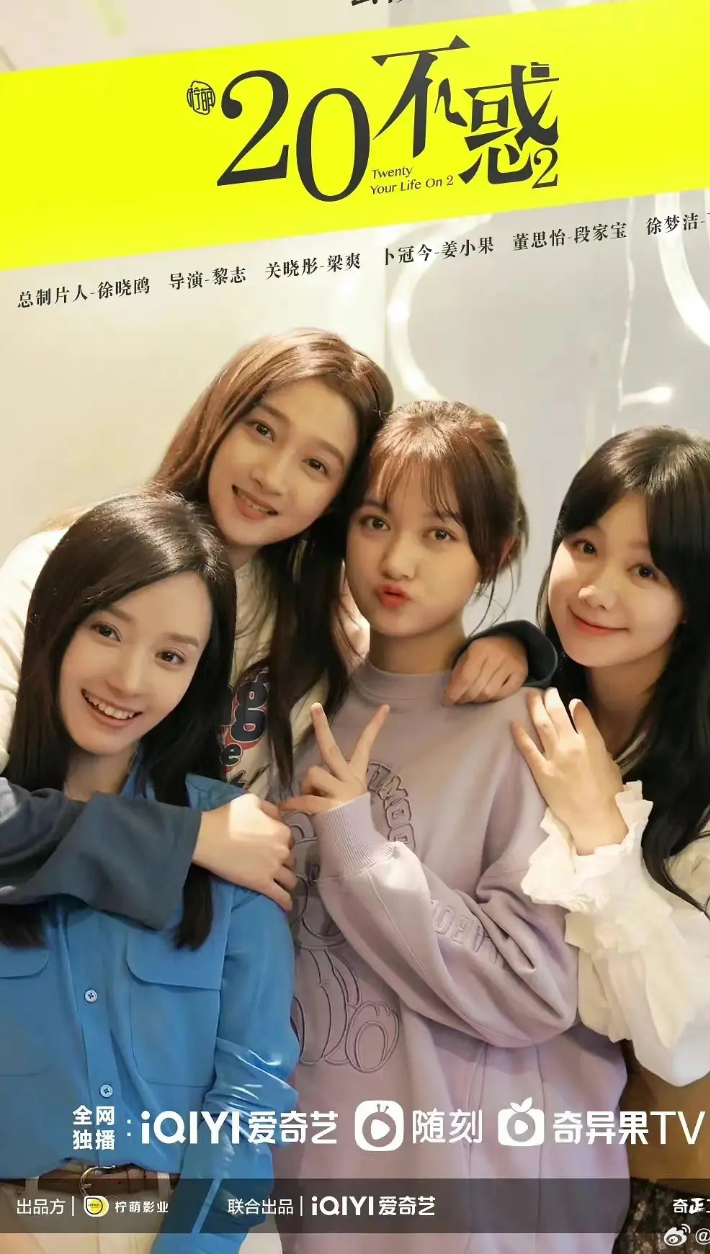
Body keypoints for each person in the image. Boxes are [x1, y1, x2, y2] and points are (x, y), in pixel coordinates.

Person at [0, 331, 555, 920]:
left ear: (337, 499)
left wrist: (520, 647)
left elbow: (408, 665)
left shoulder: (317, 635)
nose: (271, 476)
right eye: (262, 430)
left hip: (190, 954)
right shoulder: (59, 568)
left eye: (316, 464)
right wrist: (190, 838)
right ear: (219, 419)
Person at [269, 401, 628, 1254]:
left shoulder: (527, 731)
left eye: (439, 533)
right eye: (375, 522)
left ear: (495, 552)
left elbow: (535, 985)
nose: (397, 560)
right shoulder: (300, 712)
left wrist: (359, 848)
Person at [0, 492, 298, 1254]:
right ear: (54, 621)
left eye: (171, 655)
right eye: (107, 629)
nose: (129, 680)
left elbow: (253, 1091)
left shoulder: (240, 835)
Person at [512, 427, 710, 1250]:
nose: (596, 589)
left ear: (698, 594)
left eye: (646, 570)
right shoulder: (550, 711)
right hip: (577, 1161)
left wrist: (602, 831)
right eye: (584, 546)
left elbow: (681, 1038)